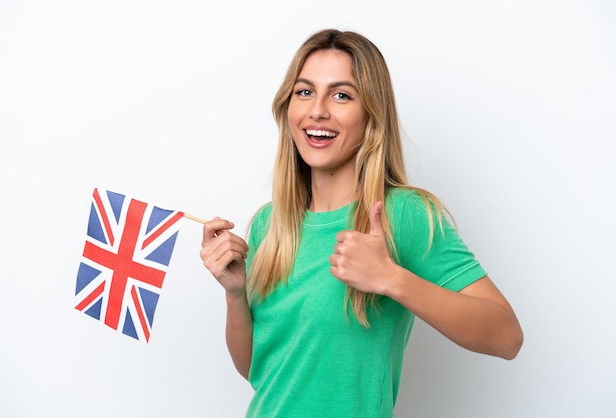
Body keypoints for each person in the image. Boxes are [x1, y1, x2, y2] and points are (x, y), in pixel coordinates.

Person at [199, 28, 523, 418]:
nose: (317, 110)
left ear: (371, 114)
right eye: (304, 92)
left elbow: (506, 337)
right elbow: (259, 371)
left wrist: (392, 279)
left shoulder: (402, 215)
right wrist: (235, 294)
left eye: (341, 95)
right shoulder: (270, 225)